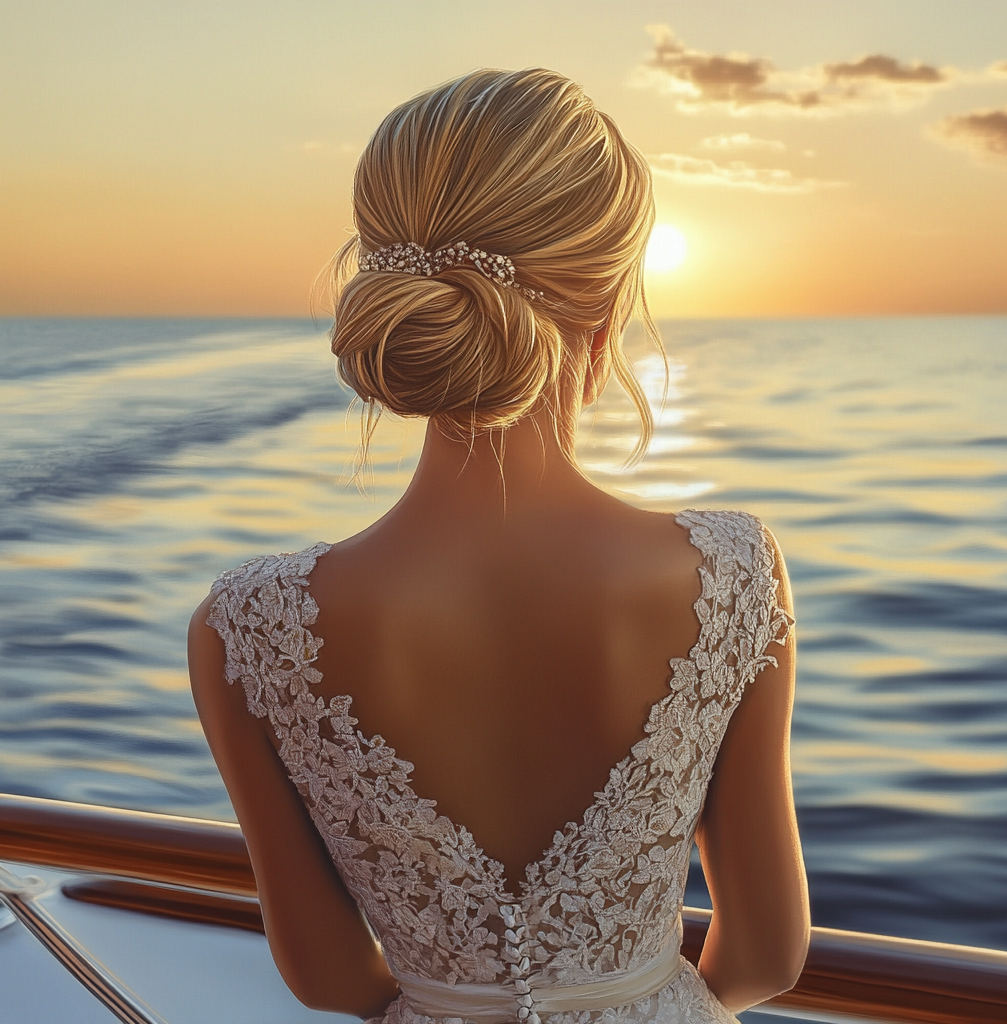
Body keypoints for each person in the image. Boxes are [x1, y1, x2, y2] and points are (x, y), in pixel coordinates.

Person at [188, 68, 809, 1024]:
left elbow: (327, 978)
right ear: (605, 318)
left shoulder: (244, 627)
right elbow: (767, 951)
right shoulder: (731, 573)